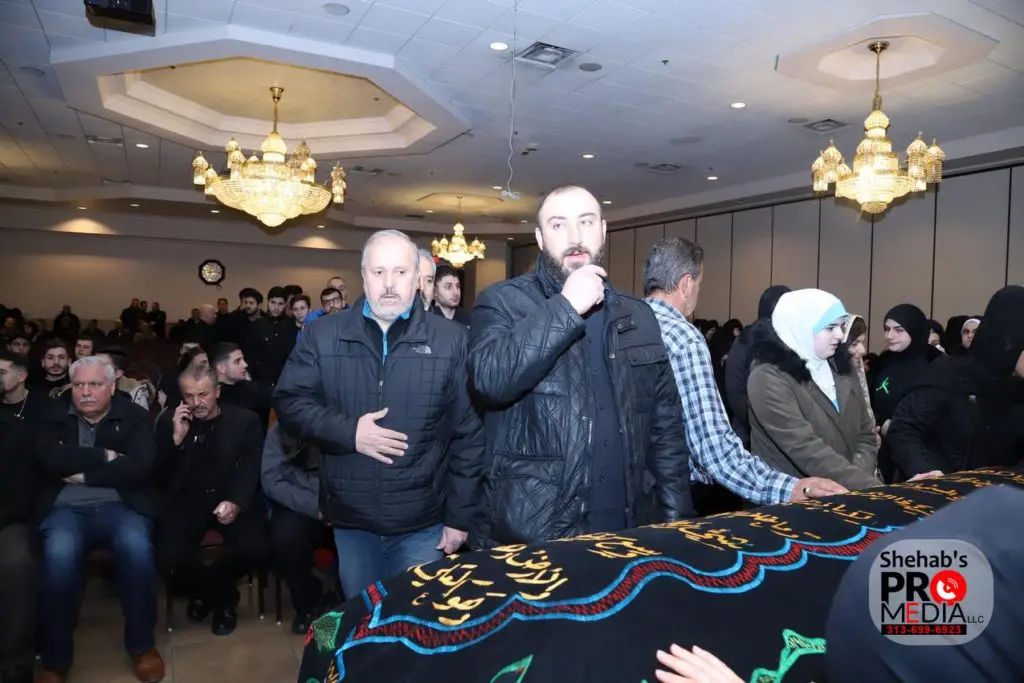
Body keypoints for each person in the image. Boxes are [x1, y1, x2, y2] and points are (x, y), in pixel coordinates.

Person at [467, 184, 694, 547]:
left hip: (628, 529)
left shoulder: (639, 316)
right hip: (533, 534)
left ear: (603, 231)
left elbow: (665, 433)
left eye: (586, 222)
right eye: (558, 226)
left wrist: (677, 528)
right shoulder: (503, 303)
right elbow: (491, 379)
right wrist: (566, 307)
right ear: (540, 238)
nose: (575, 237)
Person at [274, 229, 484, 599]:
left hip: (424, 521)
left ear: (418, 278)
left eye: (401, 273)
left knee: (415, 631)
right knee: (364, 627)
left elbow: (468, 434)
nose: (389, 284)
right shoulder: (322, 334)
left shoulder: (451, 340)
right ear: (363, 273)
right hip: (352, 520)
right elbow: (290, 403)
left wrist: (459, 517)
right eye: (378, 272)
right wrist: (349, 432)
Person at [643, 237, 845, 513]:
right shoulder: (683, 337)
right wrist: (789, 489)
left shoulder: (622, 325)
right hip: (671, 497)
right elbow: (714, 450)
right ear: (687, 283)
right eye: (700, 284)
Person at [34, 357, 163, 683]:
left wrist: (77, 472)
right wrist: (105, 457)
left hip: (122, 506)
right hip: (64, 510)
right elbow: (47, 459)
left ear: (111, 386)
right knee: (58, 559)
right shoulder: (53, 415)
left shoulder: (133, 416)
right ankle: (55, 659)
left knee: (137, 550)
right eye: (79, 385)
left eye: (94, 385)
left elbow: (139, 467)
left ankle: (142, 646)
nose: (86, 393)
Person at [155, 366, 266, 636]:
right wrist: (176, 441)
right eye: (189, 396)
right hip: (185, 501)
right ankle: (224, 598)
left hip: (229, 498)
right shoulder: (171, 420)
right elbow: (156, 474)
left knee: (257, 548)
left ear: (217, 392)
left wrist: (236, 502)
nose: (196, 403)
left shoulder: (245, 421)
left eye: (203, 395)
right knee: (168, 558)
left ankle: (207, 594)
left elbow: (252, 467)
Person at [747, 289, 881, 490]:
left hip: (853, 492)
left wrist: (859, 477)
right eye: (830, 327)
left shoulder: (843, 367)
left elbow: (866, 434)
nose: (840, 334)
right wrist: (871, 488)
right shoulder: (768, 378)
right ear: (802, 328)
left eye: (841, 326)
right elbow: (807, 450)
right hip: (797, 505)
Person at [886, 285, 1024, 479]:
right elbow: (904, 428)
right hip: (940, 497)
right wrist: (929, 474)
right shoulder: (949, 374)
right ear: (1009, 344)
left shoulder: (1016, 389)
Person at [261, 422, 324, 633]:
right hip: (299, 502)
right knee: (284, 539)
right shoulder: (279, 431)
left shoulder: (345, 421)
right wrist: (315, 507)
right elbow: (271, 480)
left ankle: (353, 604)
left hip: (344, 502)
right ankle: (308, 604)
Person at [869, 304, 941, 481]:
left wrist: (898, 427)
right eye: (887, 329)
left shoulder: (936, 365)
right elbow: (868, 402)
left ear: (915, 330)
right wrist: (882, 423)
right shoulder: (882, 362)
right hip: (883, 455)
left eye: (899, 330)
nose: (889, 336)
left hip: (920, 459)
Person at [0, 356, 35, 683]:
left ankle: (15, 662)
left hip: (11, 514)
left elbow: (24, 482)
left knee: (15, 564)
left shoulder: (28, 419)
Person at [724, 285, 790, 447]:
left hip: (781, 433)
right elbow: (735, 390)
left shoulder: (786, 341)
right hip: (749, 433)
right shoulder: (745, 341)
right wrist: (757, 425)